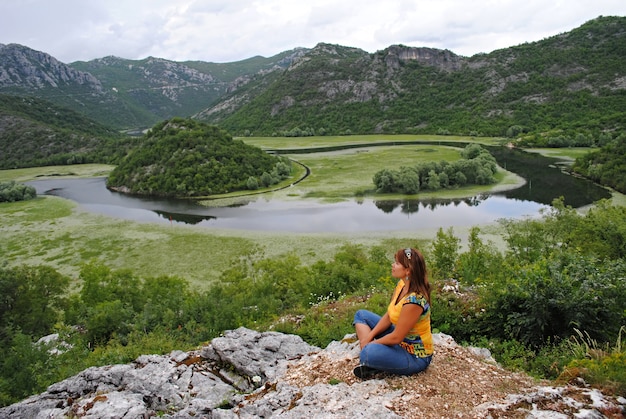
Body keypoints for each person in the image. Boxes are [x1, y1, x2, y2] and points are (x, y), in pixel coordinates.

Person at [352, 247, 433, 378]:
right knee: (361, 315)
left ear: (408, 270)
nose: (393, 265)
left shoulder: (414, 300)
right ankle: (381, 360)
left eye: (397, 263)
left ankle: (377, 360)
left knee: (367, 352)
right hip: (400, 342)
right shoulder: (402, 285)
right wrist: (368, 337)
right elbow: (390, 314)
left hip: (414, 356)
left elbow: (396, 337)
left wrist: (370, 344)